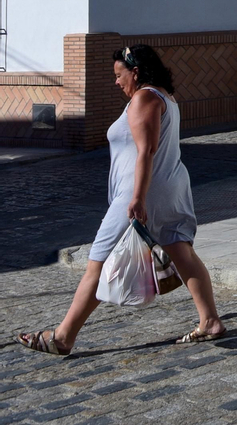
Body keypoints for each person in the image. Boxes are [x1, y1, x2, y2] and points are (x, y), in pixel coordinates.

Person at [17, 45, 225, 355]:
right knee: (181, 252)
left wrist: (138, 198)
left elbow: (146, 151)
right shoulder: (166, 97)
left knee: (97, 265)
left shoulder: (144, 98)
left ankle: (63, 336)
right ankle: (210, 321)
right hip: (172, 188)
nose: (116, 82)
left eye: (119, 75)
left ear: (135, 72)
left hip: (142, 192)